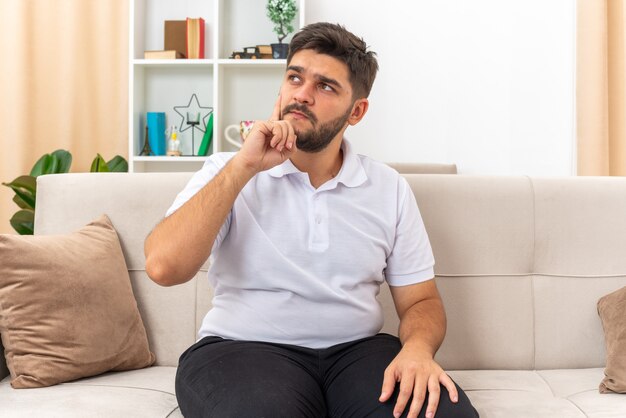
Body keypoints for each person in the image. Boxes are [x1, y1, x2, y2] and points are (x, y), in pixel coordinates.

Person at [145, 22, 479, 418]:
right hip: (241, 348)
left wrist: (418, 350)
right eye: (294, 78)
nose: (301, 95)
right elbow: (163, 267)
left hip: (357, 354)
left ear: (357, 111)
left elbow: (421, 300)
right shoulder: (227, 169)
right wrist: (245, 166)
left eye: (325, 86)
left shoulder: (388, 187)